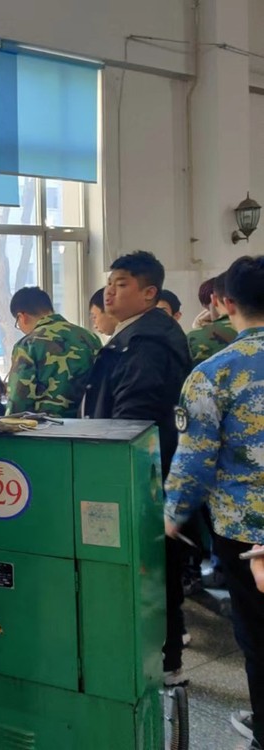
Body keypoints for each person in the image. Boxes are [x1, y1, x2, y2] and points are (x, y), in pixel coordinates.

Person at [165, 255, 264, 750]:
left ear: (224, 303)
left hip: (247, 533)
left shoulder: (213, 374)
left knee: (259, 638)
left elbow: (195, 462)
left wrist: (171, 515)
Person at [82, 250, 192, 687]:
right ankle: (160, 656)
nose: (109, 291)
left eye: (122, 283)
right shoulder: (136, 334)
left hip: (139, 475)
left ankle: (160, 661)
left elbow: (134, 417)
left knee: (152, 568)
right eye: (109, 282)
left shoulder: (147, 342)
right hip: (135, 470)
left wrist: (110, 474)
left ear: (149, 293)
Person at [7, 286, 101, 417]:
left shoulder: (28, 345)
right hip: (89, 424)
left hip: (46, 427)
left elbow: (18, 401)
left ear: (22, 317)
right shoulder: (90, 338)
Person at [187, 273, 237, 366]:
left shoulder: (195, 337)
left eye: (208, 308)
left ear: (214, 300)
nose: (208, 314)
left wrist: (199, 329)